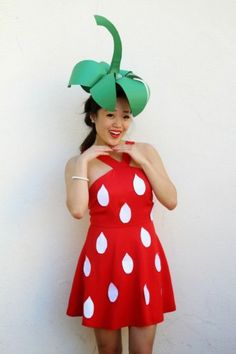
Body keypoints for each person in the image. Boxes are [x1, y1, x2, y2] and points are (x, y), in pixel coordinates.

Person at [65, 15, 177, 354]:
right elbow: (77, 210)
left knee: (143, 351)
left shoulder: (146, 151)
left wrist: (142, 161)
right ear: (93, 116)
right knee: (108, 351)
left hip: (143, 257)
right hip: (103, 260)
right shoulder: (78, 163)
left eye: (126, 115)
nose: (118, 123)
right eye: (110, 114)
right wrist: (85, 161)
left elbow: (170, 199)